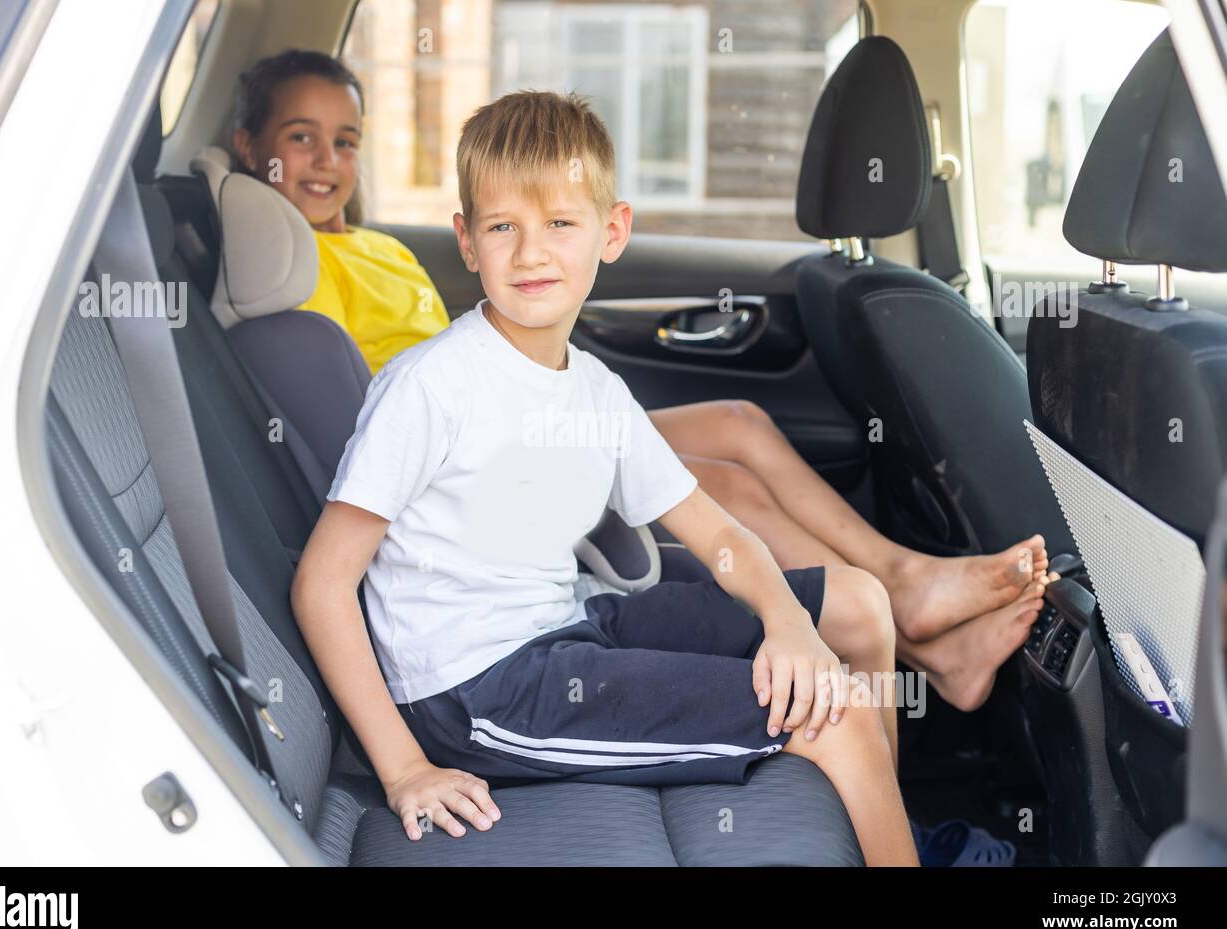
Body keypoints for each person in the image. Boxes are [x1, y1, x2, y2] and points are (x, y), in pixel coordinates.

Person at [234, 50, 1052, 718]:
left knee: (737, 423)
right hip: (479, 455)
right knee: (723, 477)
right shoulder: (289, 282)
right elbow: (387, 430)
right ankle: (907, 604)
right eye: (300, 138)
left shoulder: (382, 251)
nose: (327, 160)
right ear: (249, 147)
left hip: (524, 405)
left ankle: (901, 590)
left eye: (345, 141)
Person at [292, 87, 926, 865]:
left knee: (857, 604)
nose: (531, 253)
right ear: (466, 240)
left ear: (612, 230)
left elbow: (720, 535)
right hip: (478, 689)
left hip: (566, 624)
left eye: (560, 223)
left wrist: (789, 623)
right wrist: (404, 768)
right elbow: (323, 584)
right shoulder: (430, 388)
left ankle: (888, 823)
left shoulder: (593, 388)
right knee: (835, 710)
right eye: (503, 227)